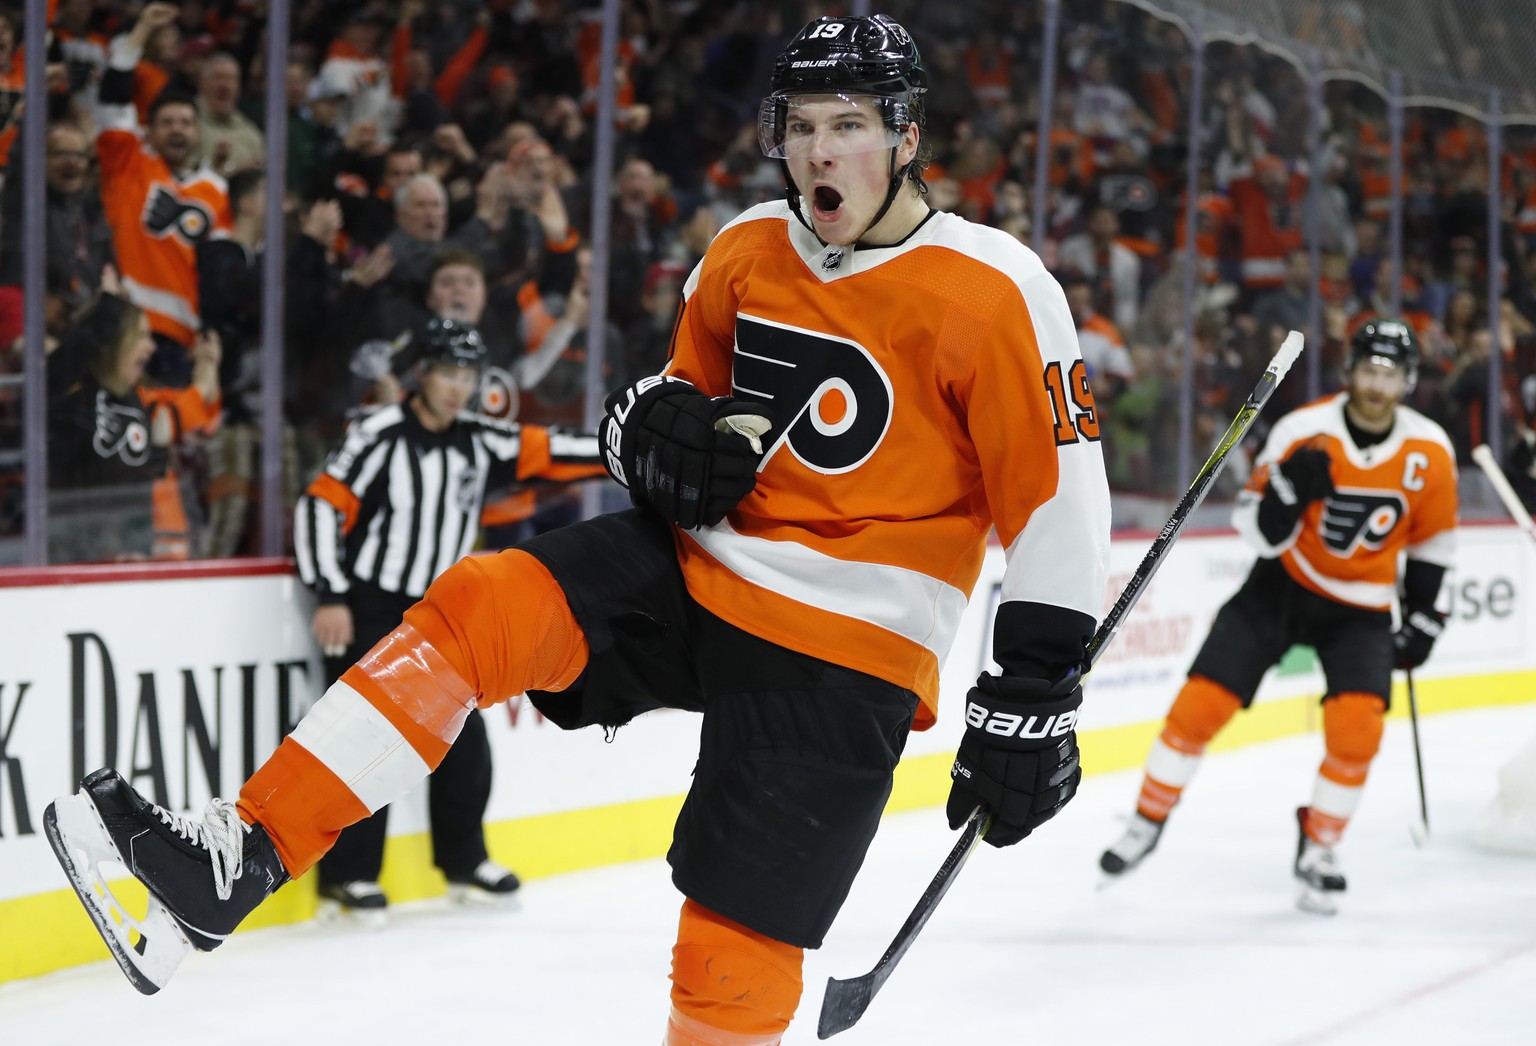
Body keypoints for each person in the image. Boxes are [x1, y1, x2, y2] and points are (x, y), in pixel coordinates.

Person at [46, 15, 1110, 1043]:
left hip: (849, 640)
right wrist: (651, 423)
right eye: (800, 126)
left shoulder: (999, 289)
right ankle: (240, 854)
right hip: (703, 568)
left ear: (905, 137)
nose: (817, 150)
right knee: (483, 602)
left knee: (728, 957)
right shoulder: (746, 246)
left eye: (846, 125)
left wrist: (1031, 698)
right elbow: (686, 406)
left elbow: (1060, 505)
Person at [1099, 320, 1459, 915]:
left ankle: (1320, 844)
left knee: (1358, 730)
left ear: (1408, 381)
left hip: (1363, 608)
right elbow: (1255, 532)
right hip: (1281, 587)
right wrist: (1286, 496)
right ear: (1350, 373)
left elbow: (1432, 544)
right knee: (1198, 707)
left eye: (1389, 373)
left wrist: (1424, 615)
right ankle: (1146, 819)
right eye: (1368, 369)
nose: (1376, 384)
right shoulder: (1302, 431)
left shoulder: (1430, 451)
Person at [293, 316, 606, 922]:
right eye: (447, 373)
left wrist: (631, 447)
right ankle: (348, 876)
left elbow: (550, 449)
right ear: (421, 375)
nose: (459, 387)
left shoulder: (477, 437)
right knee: (364, 741)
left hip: (443, 612)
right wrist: (330, 593)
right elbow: (321, 504)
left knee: (463, 737)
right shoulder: (379, 432)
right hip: (374, 604)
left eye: (468, 375)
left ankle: (465, 862)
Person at [46, 291, 219, 563]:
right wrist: (109, 309)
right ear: (114, 340)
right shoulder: (73, 398)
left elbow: (193, 406)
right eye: (140, 336)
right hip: (73, 564)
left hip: (132, 563)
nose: (151, 347)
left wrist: (208, 368)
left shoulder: (140, 402)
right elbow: (54, 371)